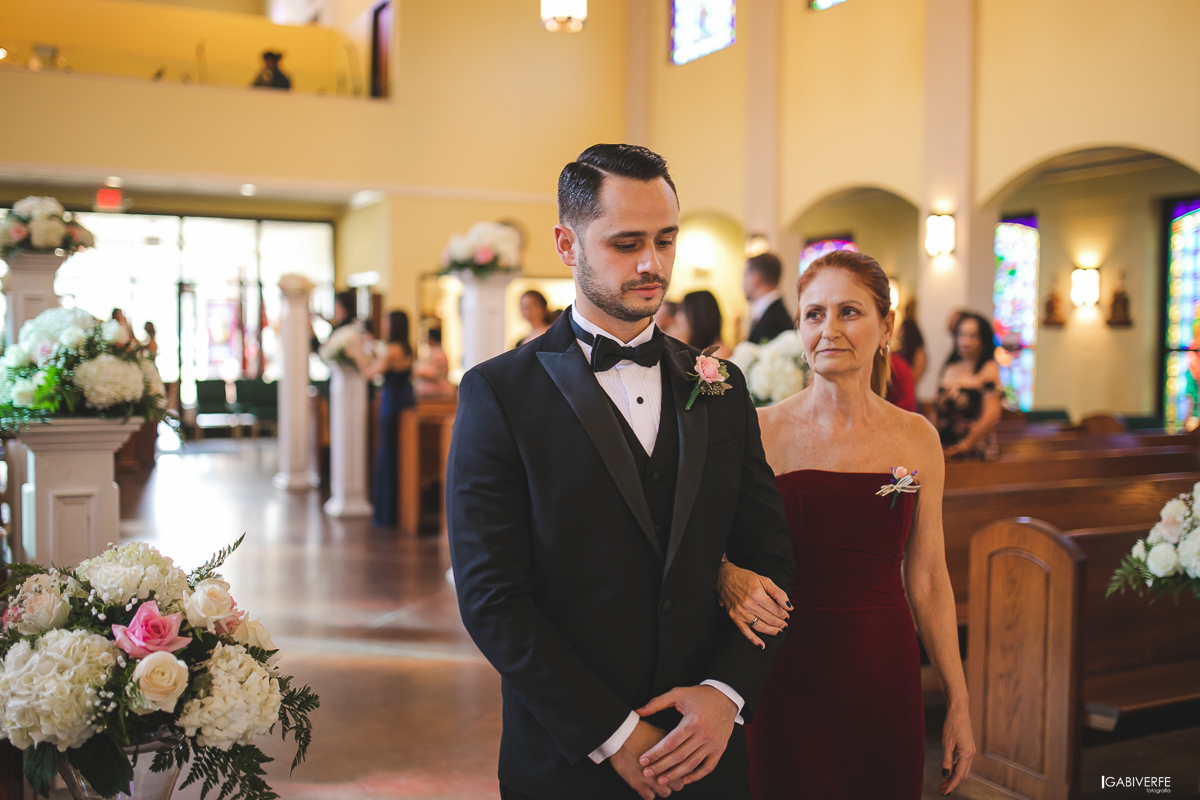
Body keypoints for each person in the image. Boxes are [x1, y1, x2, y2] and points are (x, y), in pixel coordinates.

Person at [447, 143, 794, 800]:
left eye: (666, 240)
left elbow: (768, 556)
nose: (652, 264)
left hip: (706, 755)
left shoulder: (719, 387)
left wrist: (725, 694)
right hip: (569, 760)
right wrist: (613, 733)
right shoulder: (499, 394)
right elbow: (492, 597)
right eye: (627, 243)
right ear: (567, 244)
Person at [714, 249, 975, 799]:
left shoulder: (917, 439)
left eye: (849, 312)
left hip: (881, 667)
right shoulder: (758, 430)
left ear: (886, 326)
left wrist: (959, 700)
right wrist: (726, 574)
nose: (829, 330)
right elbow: (711, 549)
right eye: (814, 314)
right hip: (780, 664)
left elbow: (928, 577)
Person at [360, 310, 415, 527]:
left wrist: (357, 352)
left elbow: (369, 373)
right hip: (405, 398)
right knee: (398, 453)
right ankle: (397, 509)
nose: (383, 324)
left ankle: (387, 512)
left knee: (388, 453)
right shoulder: (407, 348)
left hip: (392, 402)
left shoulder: (393, 350)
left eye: (385, 321)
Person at [933, 312, 1003, 460]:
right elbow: (936, 410)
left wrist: (964, 447)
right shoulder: (950, 367)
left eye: (972, 336)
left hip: (973, 451)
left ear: (983, 340)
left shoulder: (988, 369)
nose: (965, 342)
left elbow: (991, 415)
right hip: (944, 448)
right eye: (962, 335)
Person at [743, 253, 792, 344]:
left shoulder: (774, 321)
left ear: (755, 279)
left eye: (745, 276)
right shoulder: (769, 311)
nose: (742, 284)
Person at [675, 290, 731, 359]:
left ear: (699, 316)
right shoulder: (696, 349)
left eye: (682, 310)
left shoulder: (718, 353)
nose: (677, 317)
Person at [413, 326, 455, 399]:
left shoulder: (439, 354)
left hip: (438, 389)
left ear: (431, 338)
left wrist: (421, 372)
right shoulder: (431, 352)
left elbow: (438, 373)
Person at [896, 299, 926, 387]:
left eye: (901, 330)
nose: (898, 333)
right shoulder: (899, 351)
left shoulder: (917, 352)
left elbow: (915, 377)